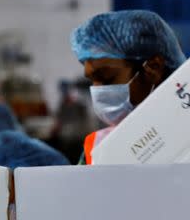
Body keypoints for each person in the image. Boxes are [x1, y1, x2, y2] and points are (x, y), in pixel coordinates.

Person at [71, 10, 186, 164]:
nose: (98, 91)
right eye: (92, 81)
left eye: (106, 78)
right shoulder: (98, 148)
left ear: (153, 67)